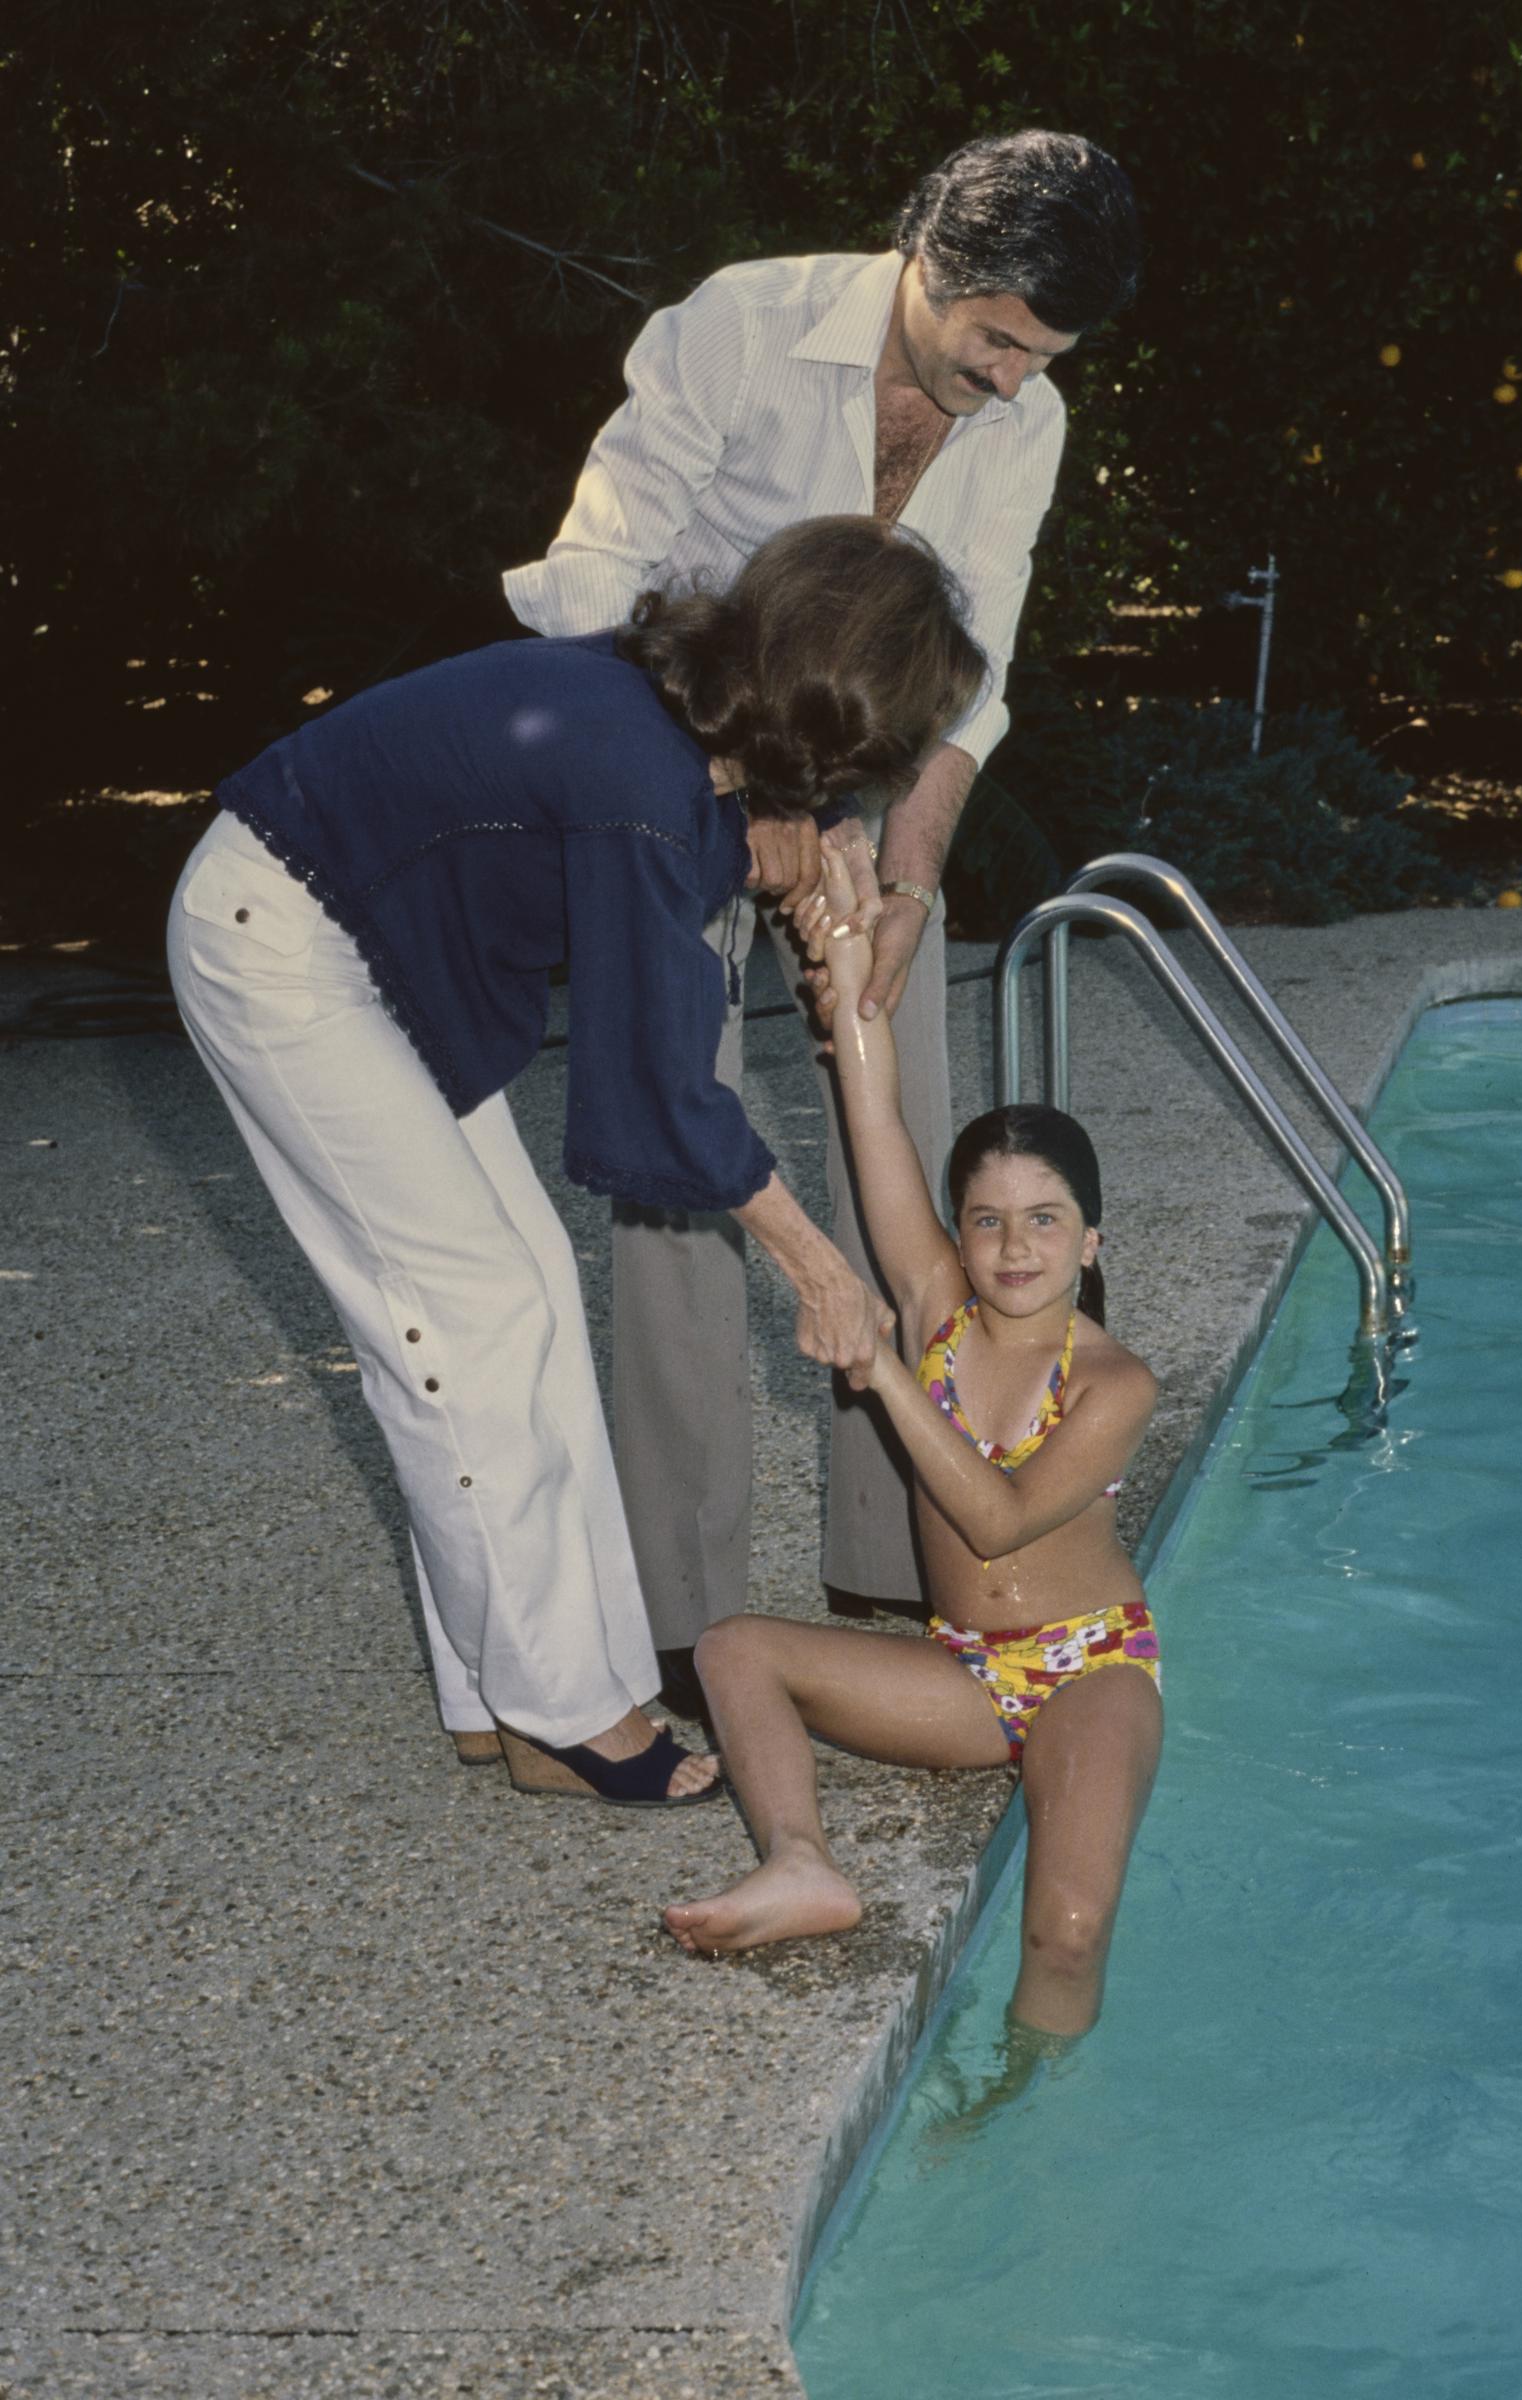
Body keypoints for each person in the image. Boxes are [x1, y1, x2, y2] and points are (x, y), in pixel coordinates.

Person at [166, 518, 983, 1808]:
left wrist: (799, 834)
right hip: (282, 946)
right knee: (470, 1318)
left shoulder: (695, 705)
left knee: (529, 1283)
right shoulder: (640, 779)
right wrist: (820, 1267)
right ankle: (557, 1715)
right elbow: (656, 1089)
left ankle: (511, 1687)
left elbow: (725, 822)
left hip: (376, 948)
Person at [503, 130, 1142, 1694]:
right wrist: (751, 794)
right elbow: (594, 582)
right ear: (921, 253)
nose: (1005, 385)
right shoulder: (737, 324)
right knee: (677, 1155)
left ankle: (889, 1554)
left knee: (906, 1143)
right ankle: (680, 1599)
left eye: (1037, 357)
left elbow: (969, 672)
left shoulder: (1027, 417)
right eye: (992, 338)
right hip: (672, 767)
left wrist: (909, 873)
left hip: (861, 802)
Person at [663, 847, 1162, 2033]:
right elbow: (872, 1110)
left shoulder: (1114, 1382)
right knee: (730, 1650)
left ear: (1089, 1242)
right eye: (985, 1220)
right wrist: (841, 969)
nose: (1014, 1246)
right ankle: (800, 1862)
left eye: (1045, 1222)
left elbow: (993, 1517)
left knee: (1069, 1929)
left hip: (1087, 1670)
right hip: (959, 1675)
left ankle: (1029, 2131)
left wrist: (878, 1368)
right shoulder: (941, 1308)